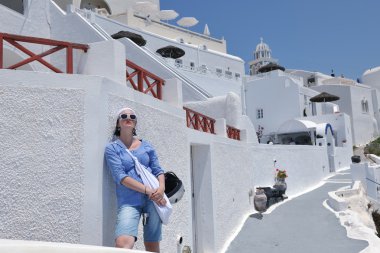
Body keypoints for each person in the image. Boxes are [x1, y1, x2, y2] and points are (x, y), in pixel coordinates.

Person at [104, 107, 166, 253]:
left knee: (152, 245)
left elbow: (158, 170)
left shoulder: (147, 145)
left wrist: (161, 189)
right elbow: (121, 177)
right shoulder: (112, 148)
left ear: (135, 123)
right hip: (129, 201)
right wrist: (147, 190)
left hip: (154, 199)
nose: (128, 118)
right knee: (123, 244)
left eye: (132, 116)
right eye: (124, 116)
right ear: (118, 123)